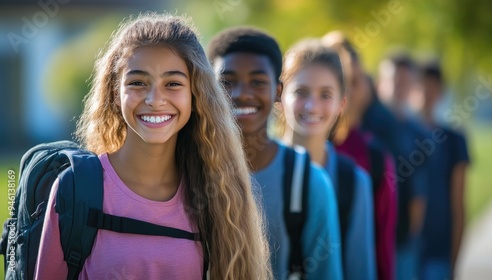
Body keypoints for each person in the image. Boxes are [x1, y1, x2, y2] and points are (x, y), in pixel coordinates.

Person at [35, 13, 272, 280]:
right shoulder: (76, 187)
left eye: (172, 84)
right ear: (115, 93)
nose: (154, 99)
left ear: (195, 95)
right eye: (138, 82)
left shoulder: (218, 194)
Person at [208, 27, 343, 280]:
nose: (242, 94)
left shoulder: (308, 182)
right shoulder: (190, 171)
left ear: (278, 92)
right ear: (209, 90)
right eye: (227, 82)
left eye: (257, 82)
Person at [274, 38, 376, 280]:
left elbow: (360, 269)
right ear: (280, 95)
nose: (312, 106)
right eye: (301, 92)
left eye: (325, 95)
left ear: (342, 103)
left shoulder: (353, 181)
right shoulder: (255, 168)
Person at [322, 31, 398, 280]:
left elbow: (383, 243)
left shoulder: (375, 158)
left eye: (353, 80)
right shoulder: (293, 153)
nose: (346, 91)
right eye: (337, 79)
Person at [372, 52, 432, 280]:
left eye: (405, 82)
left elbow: (420, 195)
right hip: (369, 234)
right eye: (394, 81)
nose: (399, 88)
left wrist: (412, 236)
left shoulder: (419, 136)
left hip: (402, 241)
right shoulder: (368, 127)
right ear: (380, 83)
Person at [415, 61, 470, 280]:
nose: (425, 93)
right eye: (420, 85)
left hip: (438, 253)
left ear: (441, 92)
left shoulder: (454, 140)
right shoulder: (398, 136)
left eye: (432, 86)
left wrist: (455, 262)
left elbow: (459, 204)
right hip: (403, 252)